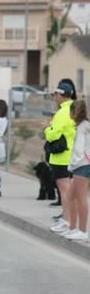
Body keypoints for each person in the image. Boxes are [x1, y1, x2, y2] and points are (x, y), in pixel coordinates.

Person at [48, 80, 78, 236]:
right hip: (73, 154)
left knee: (65, 191)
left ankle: (67, 222)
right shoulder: (75, 109)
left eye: (56, 94)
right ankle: (70, 222)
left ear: (61, 95)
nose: (54, 97)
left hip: (61, 157)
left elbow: (54, 134)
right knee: (70, 190)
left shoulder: (62, 112)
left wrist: (47, 129)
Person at [66, 100, 89, 241]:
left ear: (74, 112)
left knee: (81, 198)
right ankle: (73, 228)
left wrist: (71, 166)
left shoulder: (81, 128)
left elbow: (79, 151)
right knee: (71, 196)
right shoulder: (86, 125)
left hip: (82, 166)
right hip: (85, 165)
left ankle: (82, 231)